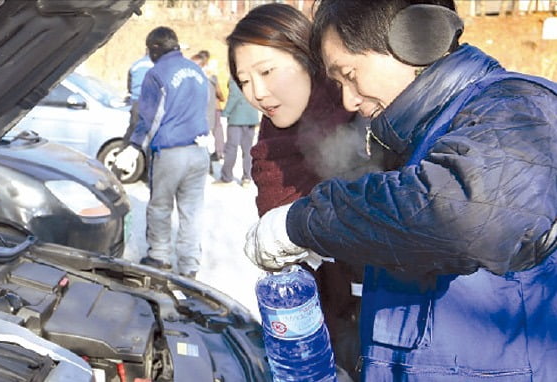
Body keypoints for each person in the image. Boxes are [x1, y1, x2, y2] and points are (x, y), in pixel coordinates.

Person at [244, 1, 557, 381]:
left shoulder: (519, 108)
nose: (348, 100)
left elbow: (462, 216)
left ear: (416, 38)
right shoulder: (420, 141)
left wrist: (302, 222)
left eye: (349, 74)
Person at [226, 3, 384, 376]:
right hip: (324, 328)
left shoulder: (365, 121)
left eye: (267, 71)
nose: (257, 94)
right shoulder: (270, 147)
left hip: (382, 332)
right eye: (244, 81)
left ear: (308, 57)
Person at [127, 26, 211, 278]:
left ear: (154, 49)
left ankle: (159, 256)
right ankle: (189, 265)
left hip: (171, 150)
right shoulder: (197, 71)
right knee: (192, 211)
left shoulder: (157, 73)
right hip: (199, 150)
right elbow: (206, 109)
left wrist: (134, 145)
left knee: (160, 207)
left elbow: (150, 116)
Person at [216, 77, 260, 186]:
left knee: (231, 148)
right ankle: (247, 177)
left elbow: (234, 96)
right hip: (251, 116)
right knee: (248, 149)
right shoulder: (253, 77)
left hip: (236, 118)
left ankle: (227, 177)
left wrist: (225, 113)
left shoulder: (235, 78)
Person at [191, 50, 227, 163]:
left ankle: (206, 159)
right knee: (217, 130)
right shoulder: (212, 76)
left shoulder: (199, 78)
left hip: (204, 110)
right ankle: (219, 152)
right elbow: (220, 93)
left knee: (203, 137)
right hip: (214, 107)